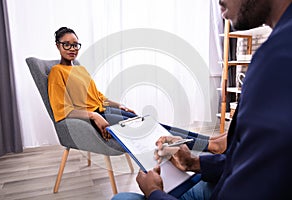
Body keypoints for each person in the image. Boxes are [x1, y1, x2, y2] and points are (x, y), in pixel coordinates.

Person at [112, 0, 292, 199]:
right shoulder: (278, 49)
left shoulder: (278, 60)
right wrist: (194, 163)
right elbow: (252, 162)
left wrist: (155, 192)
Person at [48, 27, 227, 151]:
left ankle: (207, 140)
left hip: (106, 111)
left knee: (154, 125)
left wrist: (119, 105)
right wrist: (94, 115)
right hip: (96, 119)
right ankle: (208, 145)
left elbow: (97, 97)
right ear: (58, 45)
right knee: (152, 131)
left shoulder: (79, 69)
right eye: (67, 44)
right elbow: (62, 110)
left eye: (75, 44)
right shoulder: (57, 72)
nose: (72, 49)